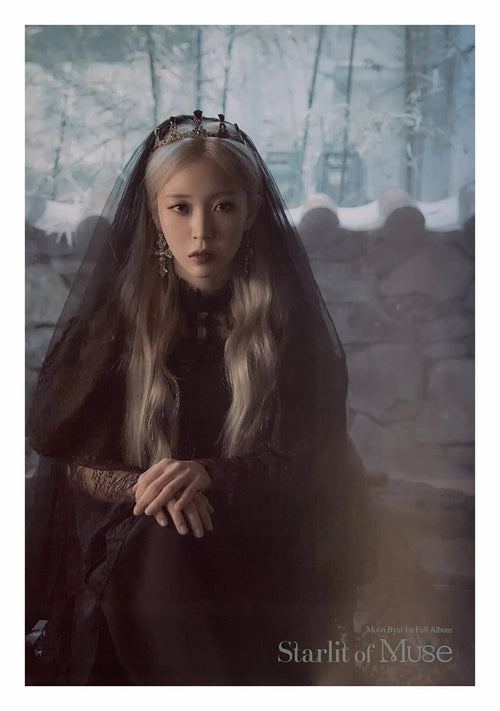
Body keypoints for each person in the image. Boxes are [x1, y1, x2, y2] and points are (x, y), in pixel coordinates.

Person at [26, 111, 375, 686]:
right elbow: (70, 454)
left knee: (185, 547)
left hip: (258, 532)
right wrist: (150, 488)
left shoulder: (286, 324)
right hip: (139, 533)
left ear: (251, 212)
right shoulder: (114, 324)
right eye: (180, 207)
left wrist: (209, 473)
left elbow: (308, 457)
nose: (201, 232)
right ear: (153, 214)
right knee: (165, 538)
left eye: (223, 207)